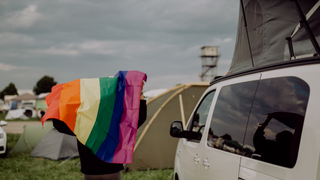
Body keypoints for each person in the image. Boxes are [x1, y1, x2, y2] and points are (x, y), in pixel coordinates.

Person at [52, 81, 147, 180]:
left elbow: (58, 124)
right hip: (112, 171)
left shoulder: (81, 124)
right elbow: (140, 118)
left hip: (90, 172)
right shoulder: (114, 123)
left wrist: (57, 97)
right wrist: (139, 92)